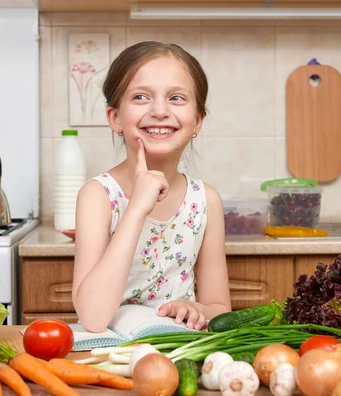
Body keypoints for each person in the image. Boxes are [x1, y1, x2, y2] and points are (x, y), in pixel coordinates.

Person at [71, 41, 232, 333]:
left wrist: (199, 310)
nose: (159, 110)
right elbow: (93, 317)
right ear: (115, 118)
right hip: (108, 359)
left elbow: (219, 308)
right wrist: (136, 209)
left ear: (197, 121)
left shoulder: (206, 200)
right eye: (141, 97)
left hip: (177, 353)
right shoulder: (98, 196)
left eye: (176, 98)